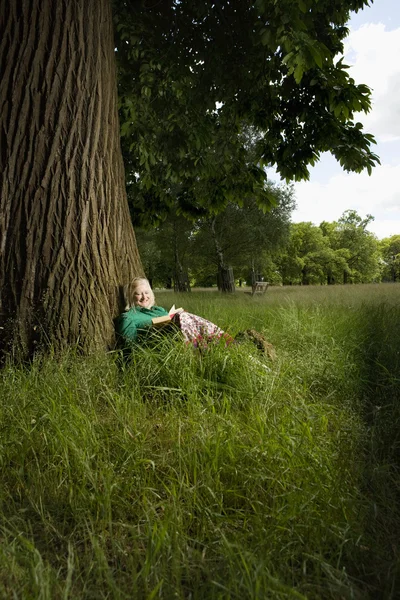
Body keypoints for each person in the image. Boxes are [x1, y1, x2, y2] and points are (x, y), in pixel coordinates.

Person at [115, 277, 234, 349]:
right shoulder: (128, 317)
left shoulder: (159, 310)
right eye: (138, 293)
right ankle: (201, 350)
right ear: (130, 297)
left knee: (183, 315)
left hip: (178, 338)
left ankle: (225, 343)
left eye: (147, 292)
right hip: (159, 345)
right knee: (183, 317)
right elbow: (130, 346)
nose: (144, 297)